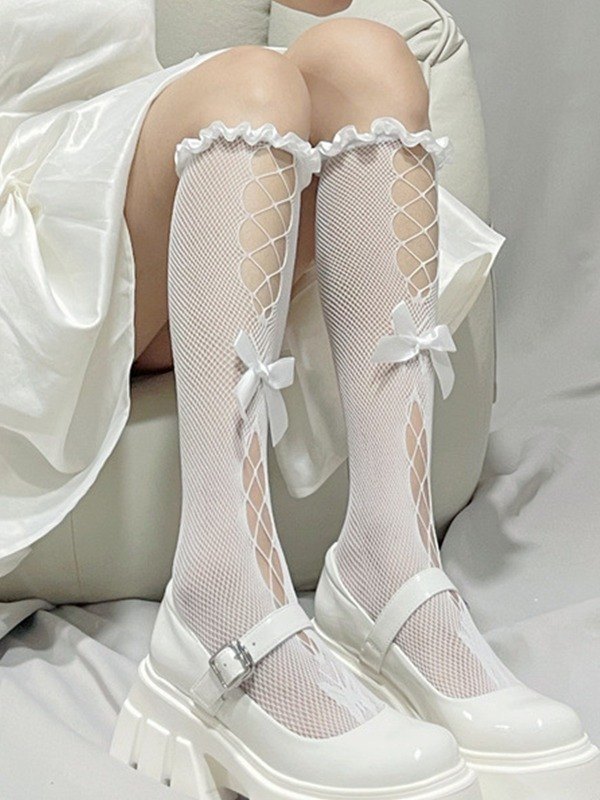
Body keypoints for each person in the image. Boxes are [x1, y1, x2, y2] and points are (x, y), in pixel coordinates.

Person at [1, 1, 598, 798]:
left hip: (132, 181)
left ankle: (391, 563)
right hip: (27, 219)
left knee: (367, 60)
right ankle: (219, 595)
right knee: (248, 87)